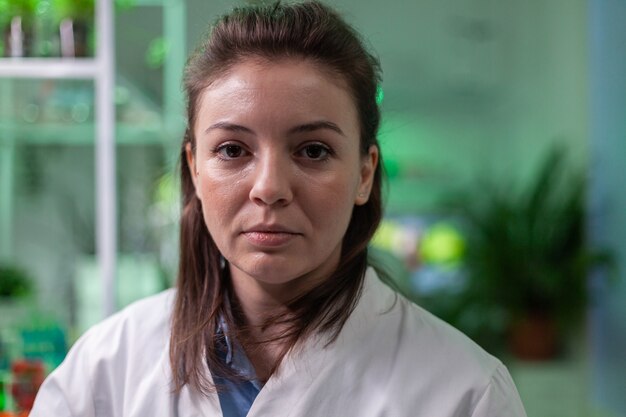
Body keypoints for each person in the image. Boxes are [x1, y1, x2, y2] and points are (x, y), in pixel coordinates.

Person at [30, 2, 527, 416]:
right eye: (232, 150)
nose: (269, 188)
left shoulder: (465, 392)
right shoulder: (104, 370)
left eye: (313, 150)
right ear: (194, 168)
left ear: (364, 173)